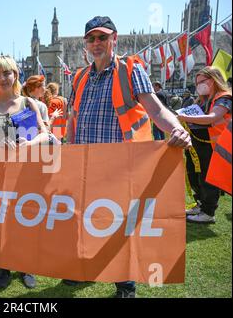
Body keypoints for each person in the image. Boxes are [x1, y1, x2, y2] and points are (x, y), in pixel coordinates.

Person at [66, 16, 191, 298]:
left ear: (114, 39)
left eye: (102, 38)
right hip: (85, 163)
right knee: (84, 219)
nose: (96, 43)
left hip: (120, 164)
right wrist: (70, 149)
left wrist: (178, 130)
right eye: (91, 39)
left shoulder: (130, 70)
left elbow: (156, 110)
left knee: (120, 224)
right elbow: (73, 118)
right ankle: (83, 268)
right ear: (85, 43)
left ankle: (125, 282)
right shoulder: (80, 76)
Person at [0, 55, 49, 290]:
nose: (2, 78)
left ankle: (25, 265)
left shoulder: (29, 104)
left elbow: (44, 133)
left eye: (7, 73)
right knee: (1, 220)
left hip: (25, 173)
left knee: (24, 219)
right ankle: (4, 266)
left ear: (15, 75)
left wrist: (31, 144)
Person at [177, 66, 231, 224]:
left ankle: (208, 212)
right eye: (197, 82)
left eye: (202, 81)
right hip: (199, 147)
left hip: (217, 148)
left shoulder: (224, 97)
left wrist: (184, 117)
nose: (199, 85)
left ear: (214, 80)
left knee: (208, 179)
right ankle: (201, 205)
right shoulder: (203, 100)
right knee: (194, 175)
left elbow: (212, 118)